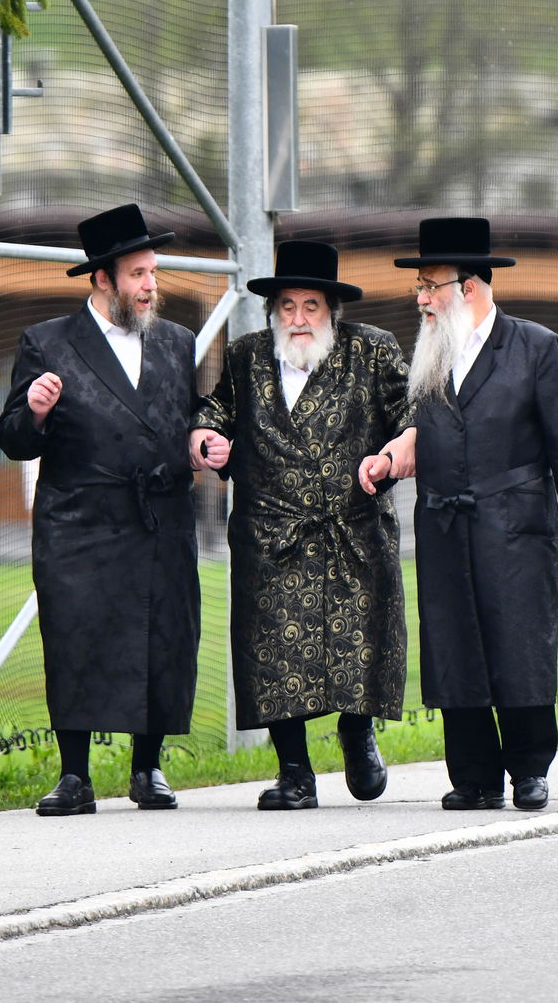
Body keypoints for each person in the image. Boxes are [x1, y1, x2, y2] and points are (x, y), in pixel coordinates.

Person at [359, 215, 558, 813]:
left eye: (429, 286)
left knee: (519, 643)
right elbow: (424, 430)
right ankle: (474, 777)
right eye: (419, 286)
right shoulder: (432, 353)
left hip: (515, 526)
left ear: (467, 287)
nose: (420, 298)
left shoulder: (534, 346)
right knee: (453, 647)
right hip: (444, 523)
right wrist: (392, 455)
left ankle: (529, 769)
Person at [190, 238, 412, 811]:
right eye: (287, 306)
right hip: (271, 534)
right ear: (273, 311)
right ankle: (295, 773)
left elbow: (411, 414)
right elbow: (216, 409)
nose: (298, 318)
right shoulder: (246, 356)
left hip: (354, 530)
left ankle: (357, 732)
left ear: (331, 311)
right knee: (272, 655)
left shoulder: (373, 350)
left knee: (359, 647)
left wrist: (392, 456)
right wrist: (206, 436)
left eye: (311, 306)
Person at [0, 202, 200, 816]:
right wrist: (34, 410)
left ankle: (148, 768)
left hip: (160, 518)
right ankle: (75, 776)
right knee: (75, 639)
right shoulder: (48, 342)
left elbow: (194, 418)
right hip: (79, 522)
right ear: (103, 278)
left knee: (163, 636)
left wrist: (205, 440)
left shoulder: (177, 342)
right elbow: (13, 439)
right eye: (138, 274)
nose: (150, 285)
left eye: (153, 272)